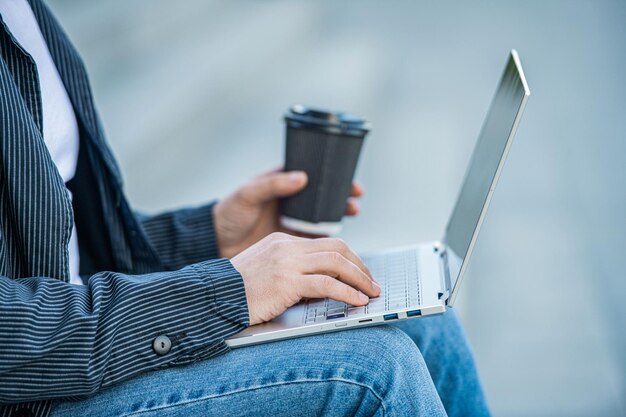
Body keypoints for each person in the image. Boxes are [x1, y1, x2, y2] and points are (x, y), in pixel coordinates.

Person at [0, 1, 490, 416]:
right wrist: (226, 291)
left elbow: (66, 248)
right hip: (35, 390)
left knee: (425, 322)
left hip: (78, 339)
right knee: (376, 370)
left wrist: (212, 234)